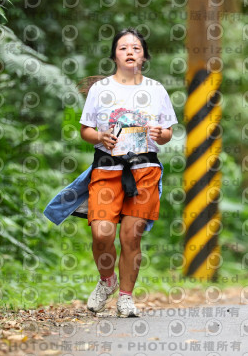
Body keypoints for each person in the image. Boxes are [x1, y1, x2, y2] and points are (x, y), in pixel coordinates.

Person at [77, 27, 177, 316]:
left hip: (145, 169)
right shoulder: (100, 89)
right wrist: (100, 137)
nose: (130, 51)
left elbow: (168, 132)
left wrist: (161, 134)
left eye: (136, 47)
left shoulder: (156, 90)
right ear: (114, 56)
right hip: (107, 167)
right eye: (123, 48)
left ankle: (125, 297)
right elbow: (85, 131)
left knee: (131, 237)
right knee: (102, 234)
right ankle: (107, 281)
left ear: (144, 56)